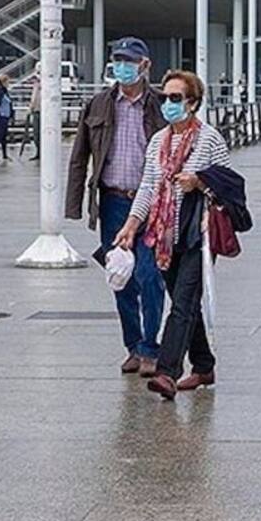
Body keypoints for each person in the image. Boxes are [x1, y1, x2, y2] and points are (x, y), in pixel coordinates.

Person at [113, 70, 232, 400]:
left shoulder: (209, 139)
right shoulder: (158, 142)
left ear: (193, 103)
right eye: (164, 97)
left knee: (182, 303)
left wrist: (200, 181)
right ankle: (204, 365)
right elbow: (148, 187)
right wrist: (131, 225)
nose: (168, 104)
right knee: (186, 302)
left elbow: (229, 184)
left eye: (176, 98)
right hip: (162, 235)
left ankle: (167, 372)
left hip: (197, 233)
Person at [65, 37, 167, 377]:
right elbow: (79, 157)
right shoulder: (98, 104)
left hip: (151, 203)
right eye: (117, 60)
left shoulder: (160, 105)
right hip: (112, 201)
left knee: (149, 275)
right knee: (120, 275)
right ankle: (133, 346)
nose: (123, 67)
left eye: (130, 60)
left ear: (144, 65)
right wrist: (74, 204)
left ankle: (151, 347)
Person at [23, 66, 41, 160]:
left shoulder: (42, 85)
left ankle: (40, 152)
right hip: (36, 110)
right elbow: (33, 98)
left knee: (39, 134)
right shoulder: (36, 86)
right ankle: (38, 152)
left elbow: (35, 98)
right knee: (36, 134)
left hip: (40, 111)